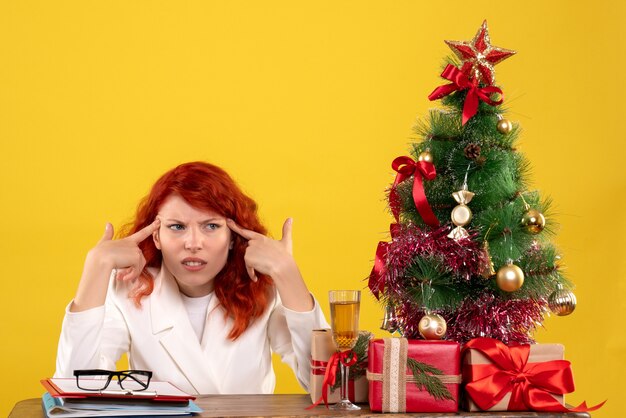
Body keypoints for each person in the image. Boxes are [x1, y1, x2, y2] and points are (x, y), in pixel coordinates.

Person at [54, 161, 329, 394]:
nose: (193, 243)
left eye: (211, 226)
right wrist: (96, 268)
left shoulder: (263, 287)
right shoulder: (128, 289)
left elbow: (329, 390)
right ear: (156, 236)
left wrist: (289, 275)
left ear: (233, 237)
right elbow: (75, 389)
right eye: (177, 226)